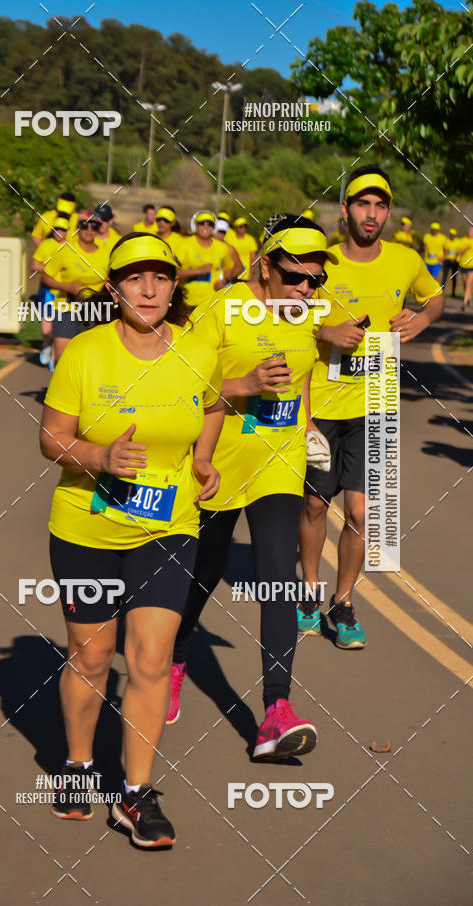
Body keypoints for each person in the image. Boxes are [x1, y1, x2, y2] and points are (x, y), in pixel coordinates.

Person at [40, 232, 224, 847]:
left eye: (161, 277)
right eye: (135, 277)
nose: (149, 288)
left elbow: (215, 403)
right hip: (86, 530)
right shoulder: (85, 354)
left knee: (149, 657)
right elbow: (51, 438)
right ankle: (77, 765)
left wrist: (201, 457)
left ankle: (137, 794)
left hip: (168, 527)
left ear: (175, 287)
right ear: (114, 287)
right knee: (92, 657)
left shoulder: (199, 349)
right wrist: (100, 455)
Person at [168, 215, 333, 760]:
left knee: (277, 575)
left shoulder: (305, 313)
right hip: (217, 463)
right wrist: (243, 385)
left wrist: (307, 424)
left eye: (316, 279)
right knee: (206, 571)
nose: (306, 288)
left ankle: (276, 711)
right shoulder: (221, 308)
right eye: (295, 276)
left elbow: (304, 372)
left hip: (278, 464)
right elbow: (182, 380)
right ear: (266, 266)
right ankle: (177, 650)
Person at [298, 165, 444, 647]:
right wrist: (324, 332)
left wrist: (421, 321)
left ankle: (342, 604)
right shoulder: (323, 262)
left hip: (376, 400)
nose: (372, 214)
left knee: (362, 514)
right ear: (345, 209)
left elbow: (435, 297)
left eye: (381, 205)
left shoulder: (405, 259)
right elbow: (290, 313)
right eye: (363, 203)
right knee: (317, 505)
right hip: (320, 399)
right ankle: (307, 591)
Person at [41, 210, 110, 363]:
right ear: (78, 227)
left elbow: (113, 281)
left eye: (94, 226)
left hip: (94, 311)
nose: (89, 229)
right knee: (62, 360)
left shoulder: (106, 255)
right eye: (85, 225)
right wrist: (68, 288)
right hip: (66, 309)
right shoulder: (65, 250)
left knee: (89, 361)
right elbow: (45, 277)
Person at [177, 210, 241, 308]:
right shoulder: (184, 244)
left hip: (212, 301)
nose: (206, 227)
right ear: (195, 226)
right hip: (187, 301)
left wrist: (224, 280)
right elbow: (175, 272)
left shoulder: (222, 247)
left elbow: (229, 268)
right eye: (202, 223)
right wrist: (198, 271)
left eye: (210, 224)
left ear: (214, 228)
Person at [32, 215, 70, 368]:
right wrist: (48, 270)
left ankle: (60, 359)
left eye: (62, 229)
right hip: (48, 290)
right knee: (47, 328)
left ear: (68, 231)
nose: (59, 232)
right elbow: (34, 265)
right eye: (56, 229)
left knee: (62, 326)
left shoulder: (72, 246)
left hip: (65, 292)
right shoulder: (46, 245)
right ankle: (47, 345)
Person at [227, 216, 259, 281]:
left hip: (245, 275)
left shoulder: (250, 240)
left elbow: (253, 259)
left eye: (245, 226)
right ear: (235, 228)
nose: (243, 228)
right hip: (232, 274)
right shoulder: (229, 239)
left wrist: (251, 274)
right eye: (241, 226)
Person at [458, 225, 473, 310]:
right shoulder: (463, 240)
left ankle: (464, 303)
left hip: (472, 266)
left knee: (468, 284)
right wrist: (465, 249)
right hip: (463, 265)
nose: (471, 232)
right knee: (464, 283)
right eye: (470, 230)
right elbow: (458, 251)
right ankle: (468, 299)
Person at [442, 228, 460, 299]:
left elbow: (458, 251)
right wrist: (447, 257)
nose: (452, 236)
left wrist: (454, 258)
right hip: (447, 260)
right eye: (451, 235)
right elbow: (446, 251)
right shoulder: (447, 241)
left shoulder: (458, 242)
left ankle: (453, 293)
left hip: (455, 261)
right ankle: (442, 292)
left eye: (453, 235)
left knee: (454, 277)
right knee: (444, 277)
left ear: (455, 235)